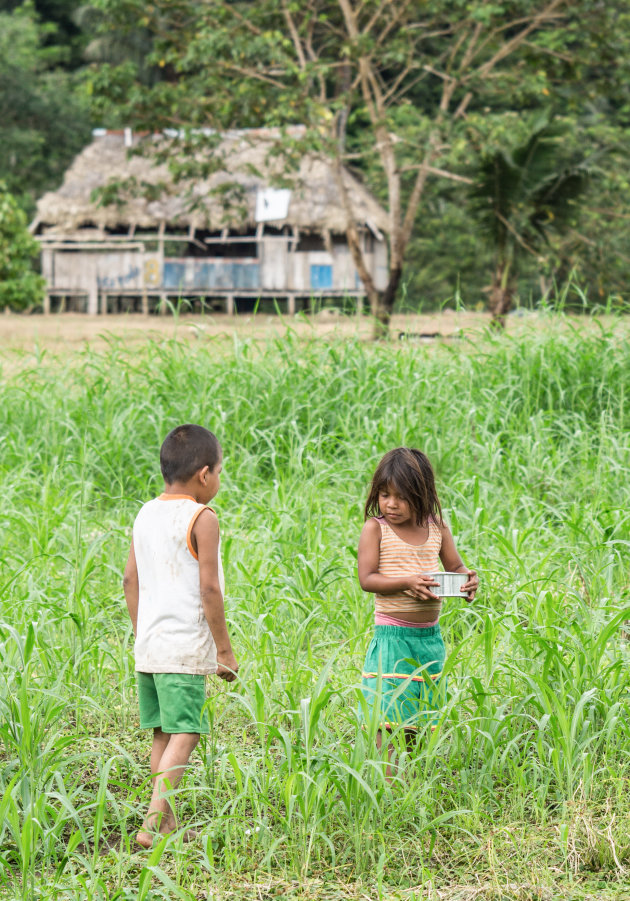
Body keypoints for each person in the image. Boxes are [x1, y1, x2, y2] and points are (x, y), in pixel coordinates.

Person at [123, 424, 238, 848]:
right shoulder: (201, 517)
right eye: (220, 472)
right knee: (187, 732)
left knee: (163, 732)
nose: (219, 480)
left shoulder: (145, 513)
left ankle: (166, 822)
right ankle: (152, 823)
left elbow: (129, 580)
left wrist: (143, 633)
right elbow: (210, 589)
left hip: (150, 646)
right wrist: (224, 651)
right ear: (205, 474)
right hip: (183, 649)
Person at [357, 447, 478, 771]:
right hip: (392, 638)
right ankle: (389, 786)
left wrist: (466, 581)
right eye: (384, 495)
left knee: (419, 719)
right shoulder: (376, 529)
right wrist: (406, 581)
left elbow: (455, 566)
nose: (391, 504)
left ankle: (410, 781)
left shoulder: (437, 527)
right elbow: (367, 579)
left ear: (421, 494)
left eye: (401, 497)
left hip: (429, 640)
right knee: (389, 719)